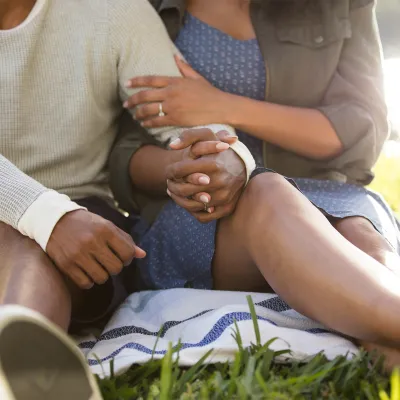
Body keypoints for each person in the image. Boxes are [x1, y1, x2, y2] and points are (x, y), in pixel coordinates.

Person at [110, 0, 400, 366]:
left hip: (332, 197)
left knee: (368, 247)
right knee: (265, 192)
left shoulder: (343, 5)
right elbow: (124, 154)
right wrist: (180, 167)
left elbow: (360, 128)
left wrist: (224, 106)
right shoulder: (149, 10)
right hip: (207, 216)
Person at [0, 0, 254, 335]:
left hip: (81, 221)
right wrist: (43, 216)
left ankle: (22, 374)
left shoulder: (112, 10)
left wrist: (226, 157)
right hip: (55, 217)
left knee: (32, 248)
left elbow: (193, 122)